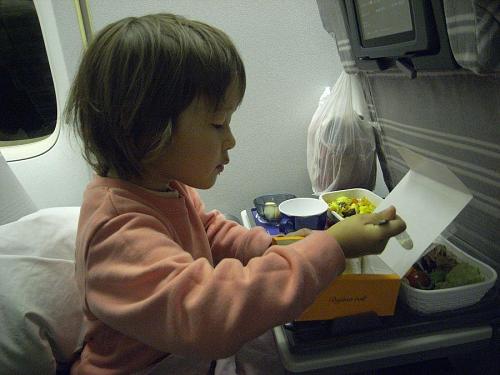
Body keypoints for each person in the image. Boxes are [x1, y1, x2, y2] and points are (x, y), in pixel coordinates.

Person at [65, 13, 406, 375]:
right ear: (147, 131)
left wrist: (274, 248)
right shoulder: (118, 230)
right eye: (217, 124)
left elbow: (210, 233)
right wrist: (331, 248)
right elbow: (208, 318)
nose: (230, 140)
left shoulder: (165, 188)